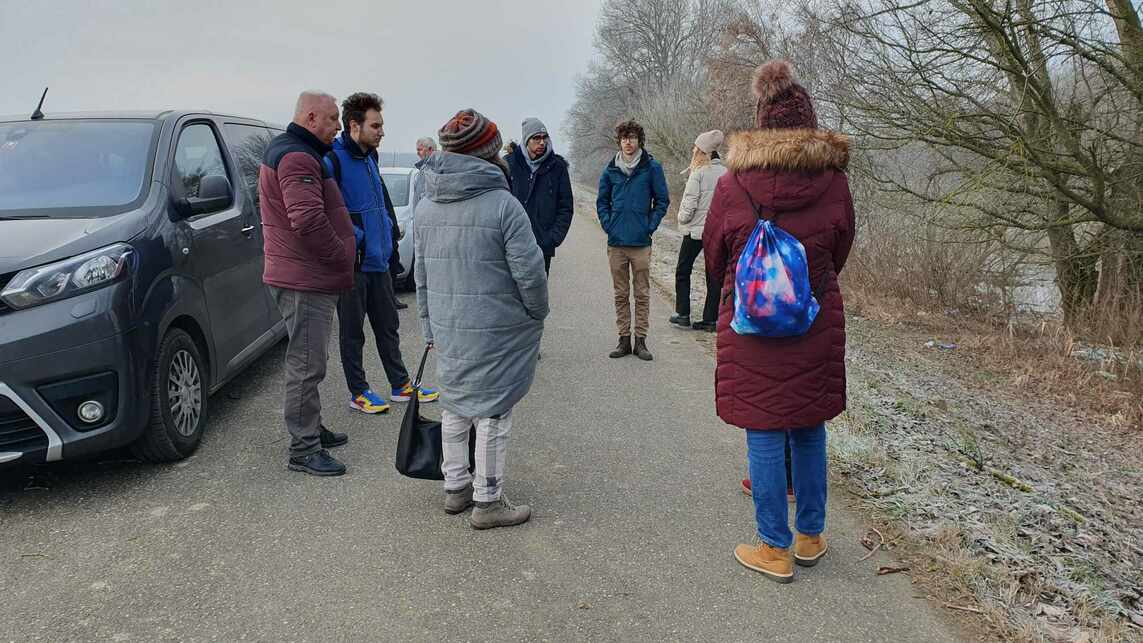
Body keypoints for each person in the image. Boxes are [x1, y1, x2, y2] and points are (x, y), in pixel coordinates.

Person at [704, 60, 855, 582]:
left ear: (762, 123)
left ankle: (774, 547)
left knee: (764, 430)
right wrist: (808, 281)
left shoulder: (731, 185)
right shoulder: (833, 184)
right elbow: (839, 251)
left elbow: (714, 255)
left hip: (752, 327)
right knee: (809, 427)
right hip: (813, 319)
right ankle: (811, 535)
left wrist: (744, 288)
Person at [415, 108, 548, 530]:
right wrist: (536, 313)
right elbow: (530, 274)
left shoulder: (425, 204)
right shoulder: (503, 205)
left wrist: (429, 325)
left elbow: (420, 274)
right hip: (496, 327)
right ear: (489, 152)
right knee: (493, 409)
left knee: (454, 402)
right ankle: (487, 501)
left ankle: (455, 487)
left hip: (449, 325)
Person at [259, 91, 355, 477]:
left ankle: (310, 426)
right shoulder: (297, 155)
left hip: (303, 273)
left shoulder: (293, 149)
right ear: (311, 117)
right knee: (306, 362)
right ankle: (304, 448)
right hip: (305, 277)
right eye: (333, 119)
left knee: (310, 358)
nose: (338, 127)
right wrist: (340, 253)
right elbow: (309, 221)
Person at [327, 92, 439, 416]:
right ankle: (358, 391)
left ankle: (400, 385)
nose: (381, 132)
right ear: (354, 125)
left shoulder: (370, 157)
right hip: (353, 264)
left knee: (388, 325)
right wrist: (358, 240)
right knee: (352, 333)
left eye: (381, 125)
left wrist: (389, 237)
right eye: (375, 125)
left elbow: (381, 203)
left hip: (378, 259)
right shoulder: (333, 160)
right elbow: (331, 211)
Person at [596, 119, 669, 361]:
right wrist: (608, 224)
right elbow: (602, 202)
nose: (628, 142)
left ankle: (641, 341)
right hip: (616, 242)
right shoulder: (610, 170)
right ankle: (623, 339)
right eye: (625, 138)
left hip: (641, 242)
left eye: (633, 138)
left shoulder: (652, 168)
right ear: (619, 141)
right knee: (620, 293)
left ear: (639, 141)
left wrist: (650, 226)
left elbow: (662, 201)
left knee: (642, 293)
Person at [670, 130, 728, 332]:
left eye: (696, 148)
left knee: (683, 271)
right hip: (717, 233)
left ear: (703, 151)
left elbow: (689, 205)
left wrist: (681, 219)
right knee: (713, 275)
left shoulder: (699, 173)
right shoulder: (727, 173)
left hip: (695, 231)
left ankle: (683, 314)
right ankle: (710, 319)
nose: (693, 150)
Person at [505, 118, 574, 275]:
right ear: (526, 140)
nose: (542, 142)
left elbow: (566, 207)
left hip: (542, 246)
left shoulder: (558, 167)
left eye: (544, 137)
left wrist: (553, 238)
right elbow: (497, 204)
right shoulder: (509, 164)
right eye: (536, 138)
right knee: (510, 295)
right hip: (511, 245)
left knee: (537, 296)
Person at [411, 136, 435, 216]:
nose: (417, 153)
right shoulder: (424, 168)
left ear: (430, 149)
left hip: (425, 217)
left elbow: (423, 196)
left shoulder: (431, 169)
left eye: (420, 150)